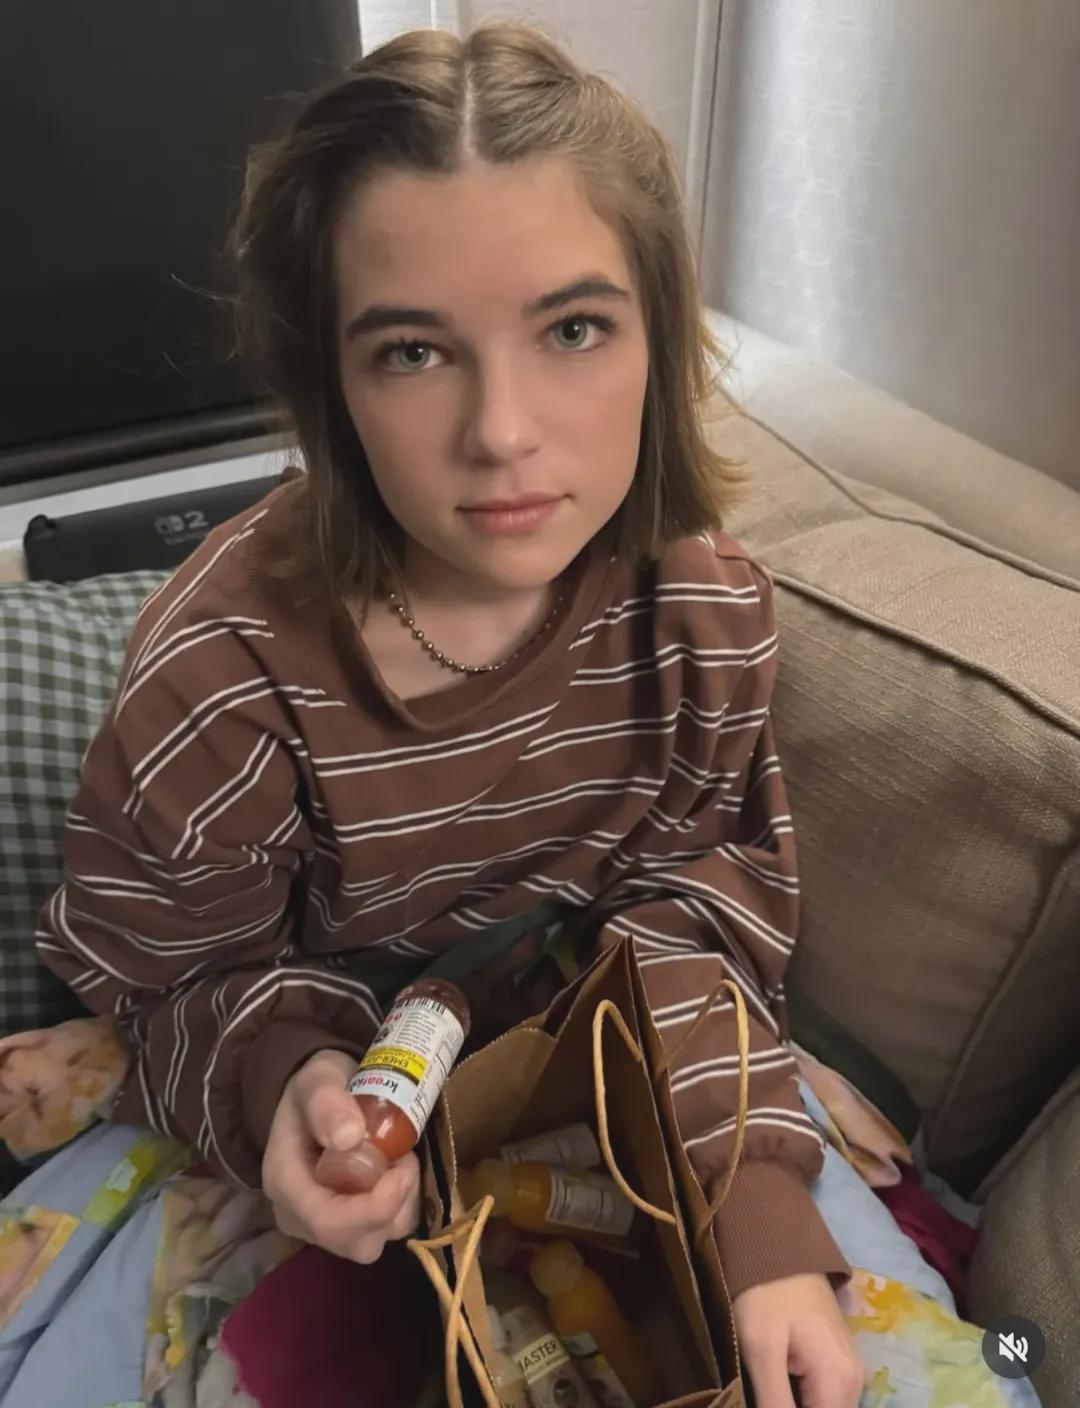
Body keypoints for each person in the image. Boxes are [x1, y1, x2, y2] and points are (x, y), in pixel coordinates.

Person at [34, 20, 864, 1408]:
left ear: (661, 338)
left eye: (574, 329)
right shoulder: (216, 684)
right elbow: (171, 982)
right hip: (316, 1141)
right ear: (328, 381)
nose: (503, 432)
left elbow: (696, 909)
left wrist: (752, 1211)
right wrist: (294, 1082)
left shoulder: (703, 614)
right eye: (415, 351)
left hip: (645, 1095)